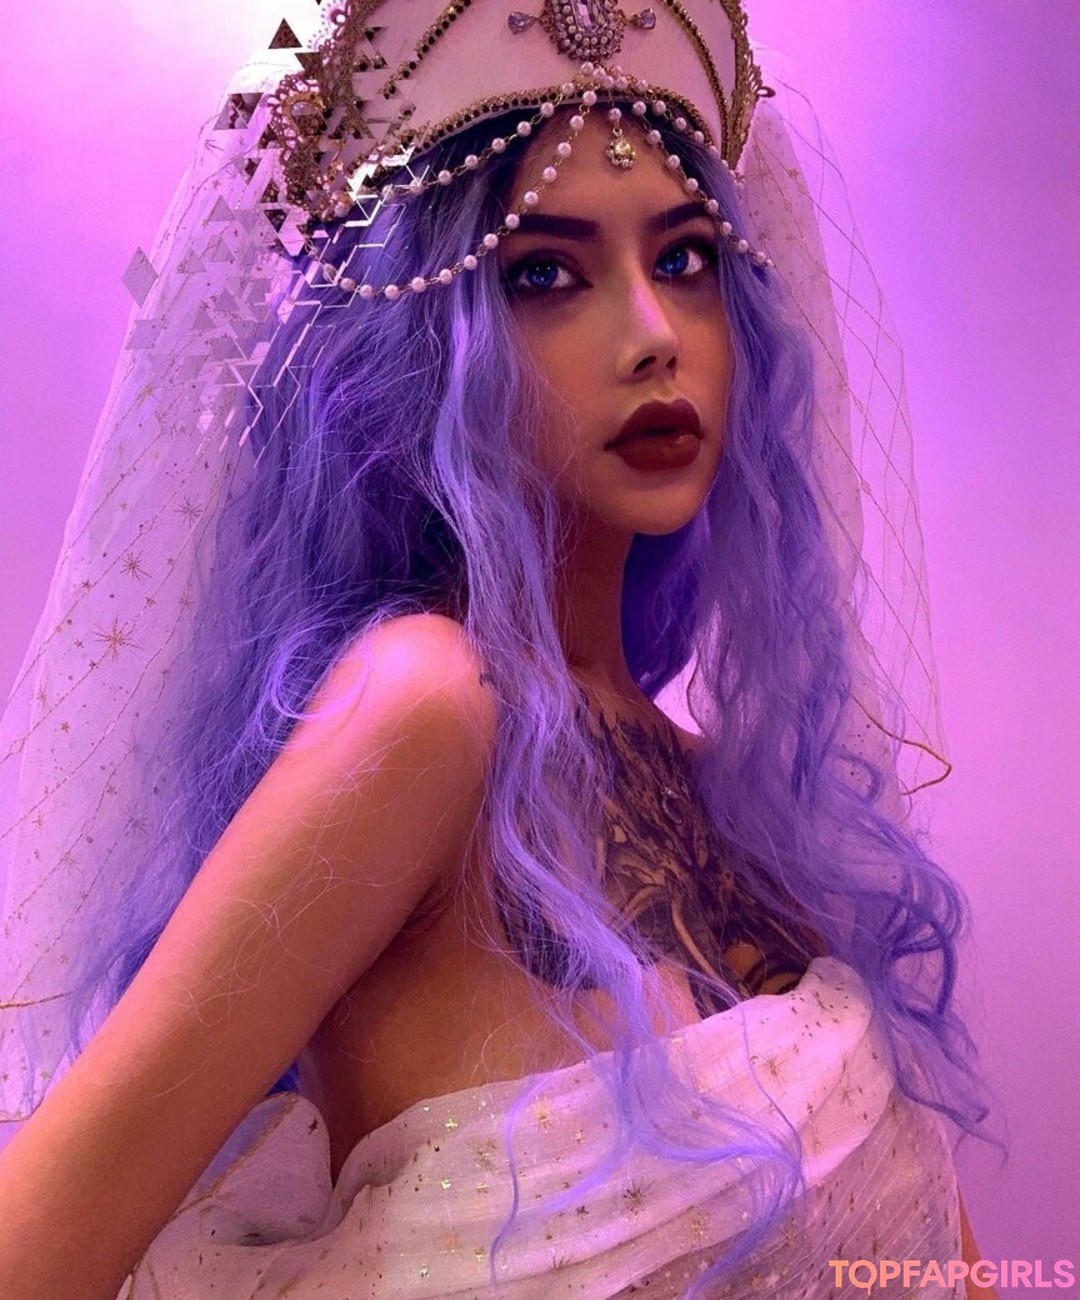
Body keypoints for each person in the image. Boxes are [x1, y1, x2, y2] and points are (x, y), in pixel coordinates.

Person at [0, 2, 997, 1296]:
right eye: (544, 275)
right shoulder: (424, 706)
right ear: (425, 341)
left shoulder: (733, 799)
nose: (654, 331)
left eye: (687, 258)